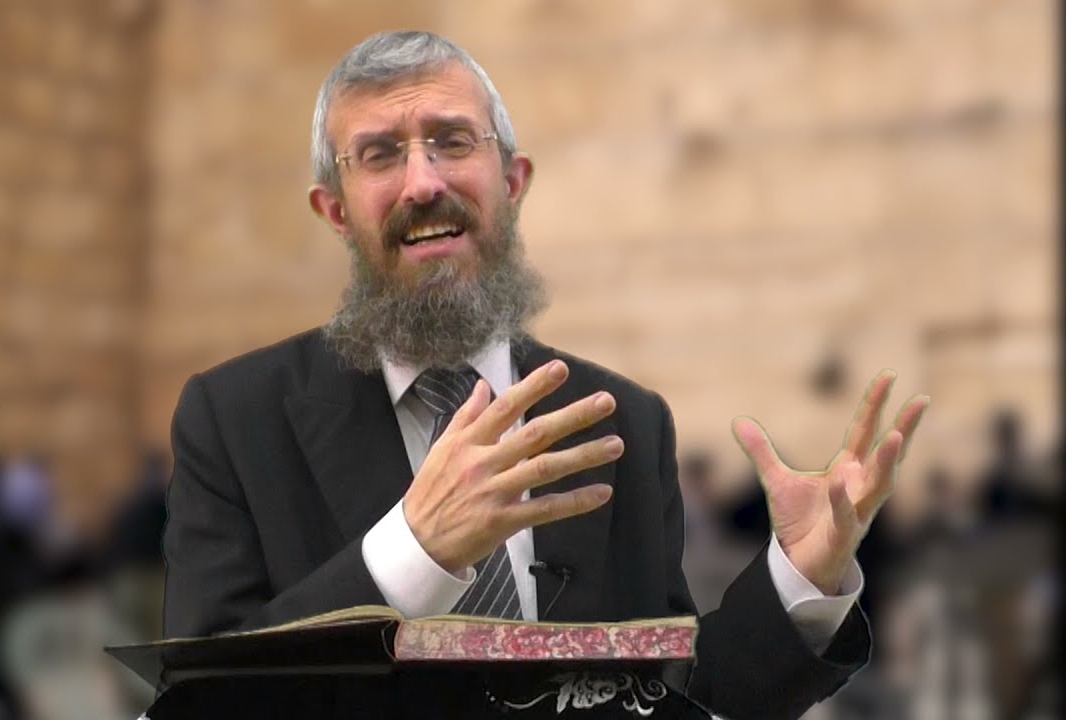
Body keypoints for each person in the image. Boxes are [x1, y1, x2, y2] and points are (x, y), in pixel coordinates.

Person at [161, 31, 929, 720]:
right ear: (334, 211)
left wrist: (797, 582)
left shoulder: (625, 421)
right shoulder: (233, 420)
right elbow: (201, 698)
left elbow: (669, 700)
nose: (423, 182)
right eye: (380, 154)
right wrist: (415, 552)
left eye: (452, 141)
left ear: (513, 180)